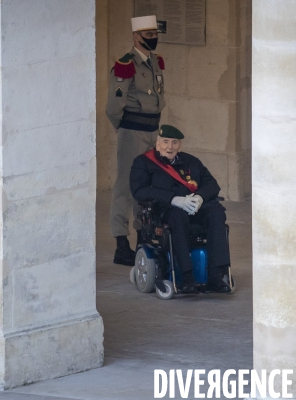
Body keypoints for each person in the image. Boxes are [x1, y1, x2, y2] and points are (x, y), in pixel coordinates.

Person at [129, 125, 231, 294]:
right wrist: (173, 199)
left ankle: (216, 274)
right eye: (166, 142)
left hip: (194, 207)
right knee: (177, 217)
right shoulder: (143, 163)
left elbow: (212, 184)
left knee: (216, 213)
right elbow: (139, 190)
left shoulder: (191, 161)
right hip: (165, 209)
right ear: (157, 143)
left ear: (180, 145)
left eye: (174, 142)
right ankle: (186, 276)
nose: (170, 147)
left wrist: (199, 198)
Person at [106, 15, 166, 266]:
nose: (152, 39)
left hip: (153, 129)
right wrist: (126, 129)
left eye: (155, 35)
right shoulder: (125, 65)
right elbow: (113, 107)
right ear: (136, 37)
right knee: (126, 186)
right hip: (133, 130)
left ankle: (144, 236)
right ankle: (121, 242)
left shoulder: (155, 62)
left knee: (148, 183)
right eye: (148, 35)